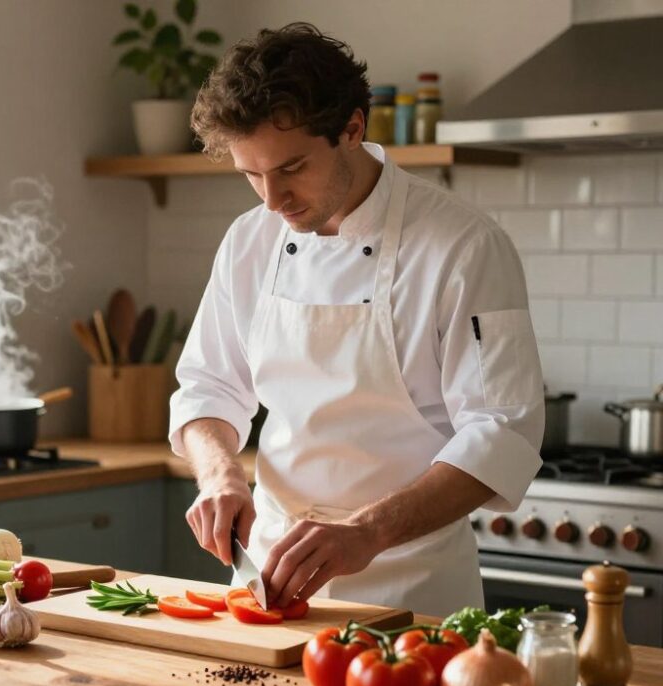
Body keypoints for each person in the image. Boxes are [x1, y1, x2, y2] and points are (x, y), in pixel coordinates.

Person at [168, 22, 544, 617]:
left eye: (291, 168)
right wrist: (219, 476)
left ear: (352, 129)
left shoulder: (464, 246)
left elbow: (502, 431)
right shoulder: (249, 242)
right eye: (251, 175)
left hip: (412, 591)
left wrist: (366, 532)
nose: (271, 200)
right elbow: (208, 388)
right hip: (271, 579)